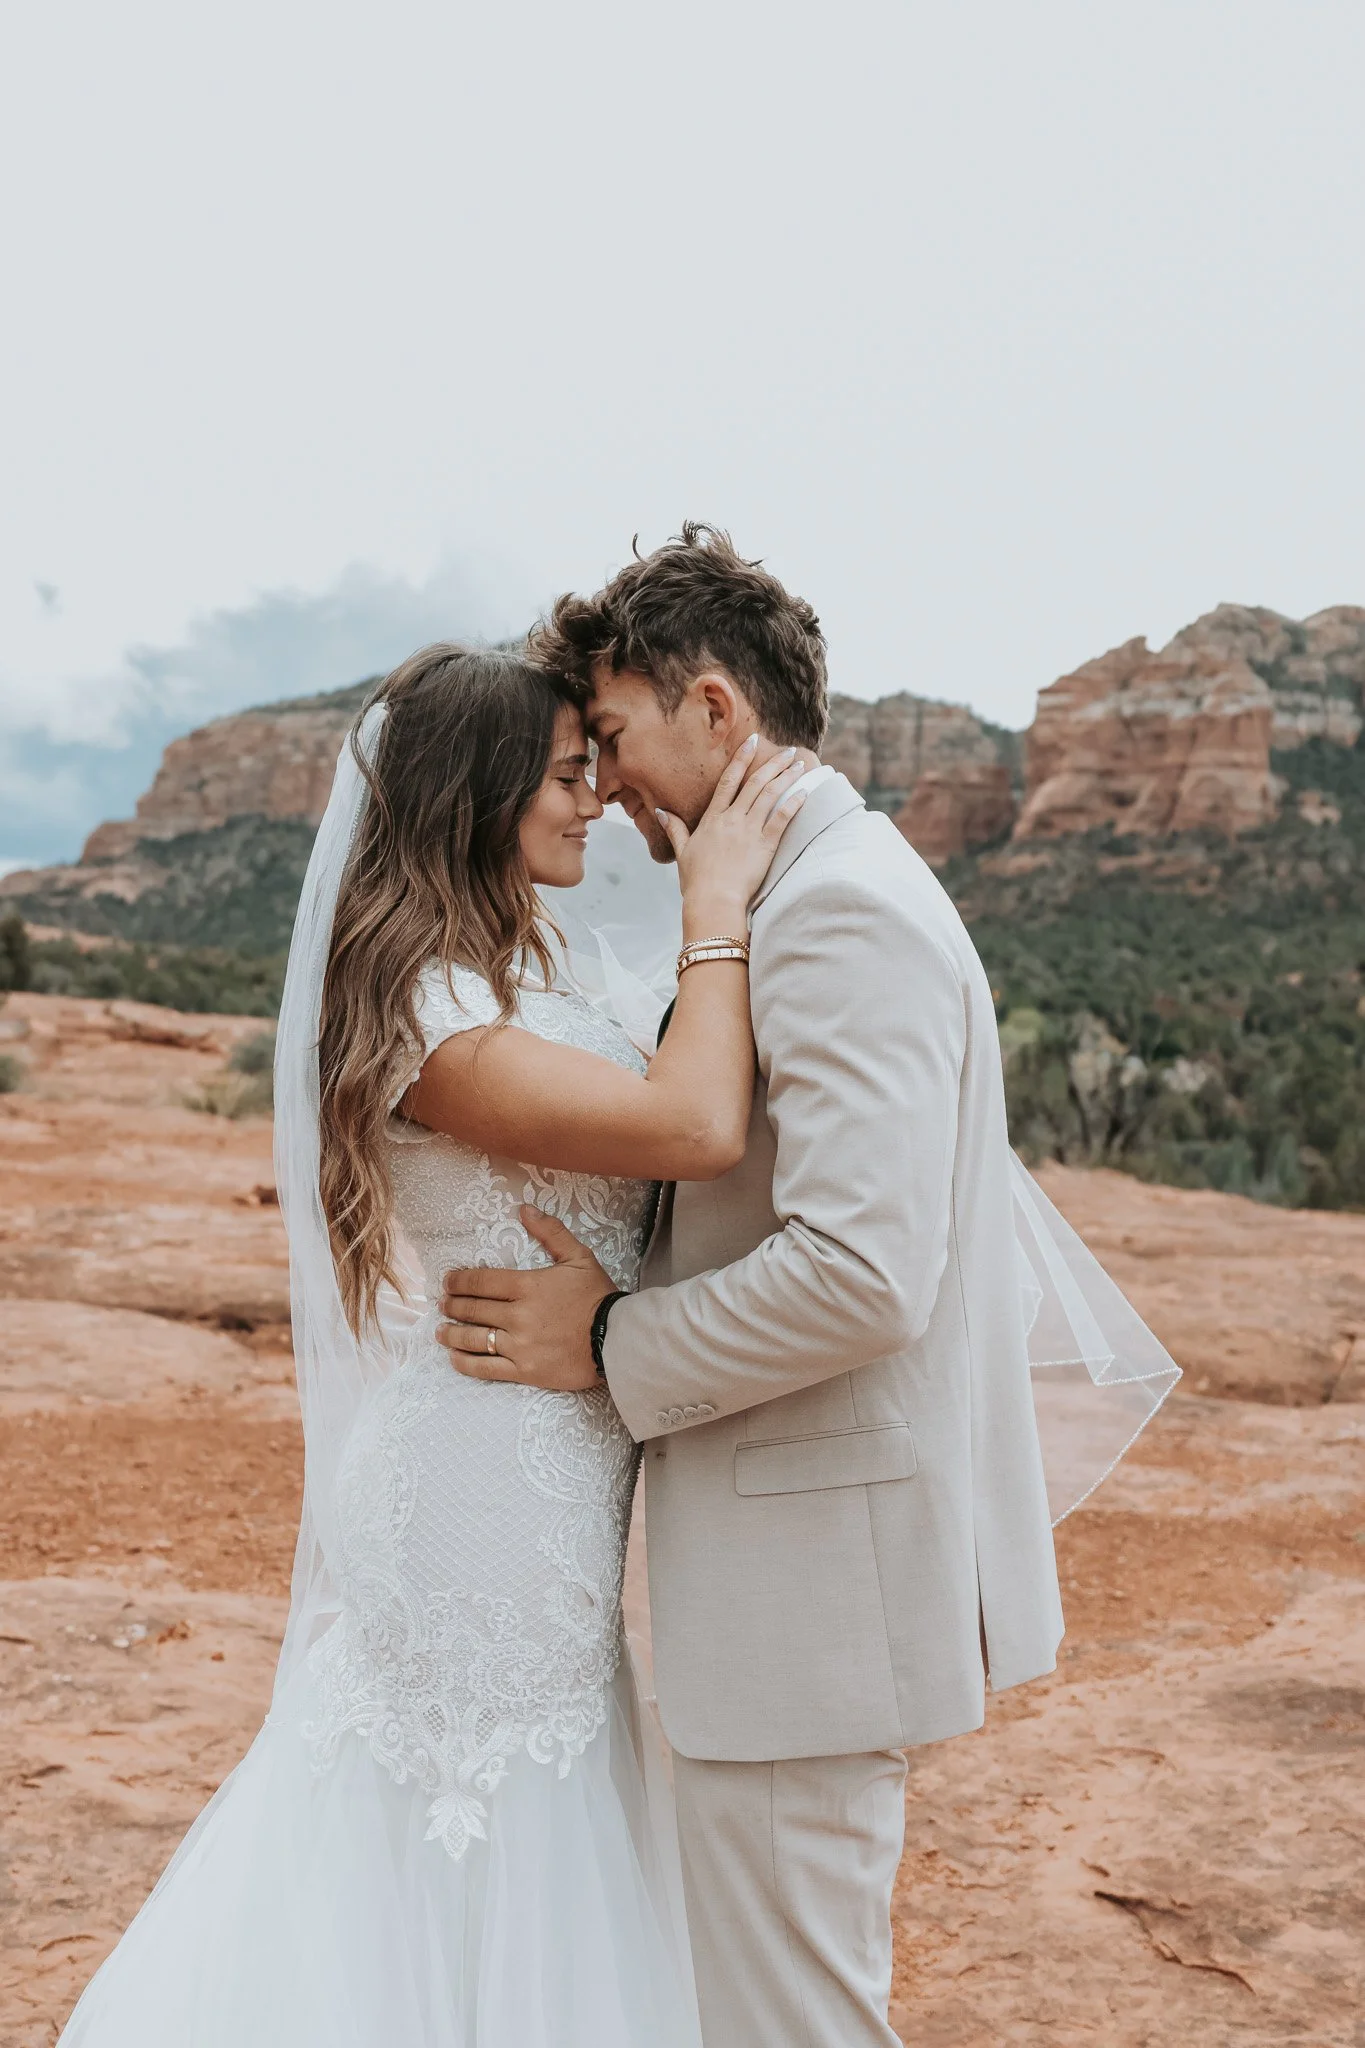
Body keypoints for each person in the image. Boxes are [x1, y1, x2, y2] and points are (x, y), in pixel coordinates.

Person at [57, 641, 810, 2047]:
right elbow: (692, 1129)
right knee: (475, 1841)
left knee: (535, 1825)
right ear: (477, 795)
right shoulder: (428, 1010)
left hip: (545, 1464)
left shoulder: (529, 968)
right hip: (473, 1485)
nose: (594, 801)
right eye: (567, 775)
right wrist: (717, 905)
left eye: (599, 768)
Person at [435, 525, 1067, 2048]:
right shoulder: (818, 886)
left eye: (612, 735)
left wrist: (609, 1340)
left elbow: (863, 1273)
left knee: (792, 2026)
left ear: (714, 709)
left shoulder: (837, 908)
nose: (606, 783)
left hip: (811, 1615)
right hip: (797, 1598)